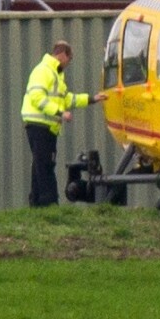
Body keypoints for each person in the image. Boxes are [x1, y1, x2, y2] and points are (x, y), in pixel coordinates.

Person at [21, 40, 108, 207]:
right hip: (40, 124)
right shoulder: (44, 71)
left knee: (40, 165)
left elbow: (68, 99)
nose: (69, 62)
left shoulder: (55, 74)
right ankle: (50, 202)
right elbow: (37, 97)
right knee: (46, 165)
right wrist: (59, 112)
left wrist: (92, 99)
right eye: (70, 58)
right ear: (62, 55)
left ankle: (37, 203)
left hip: (45, 125)